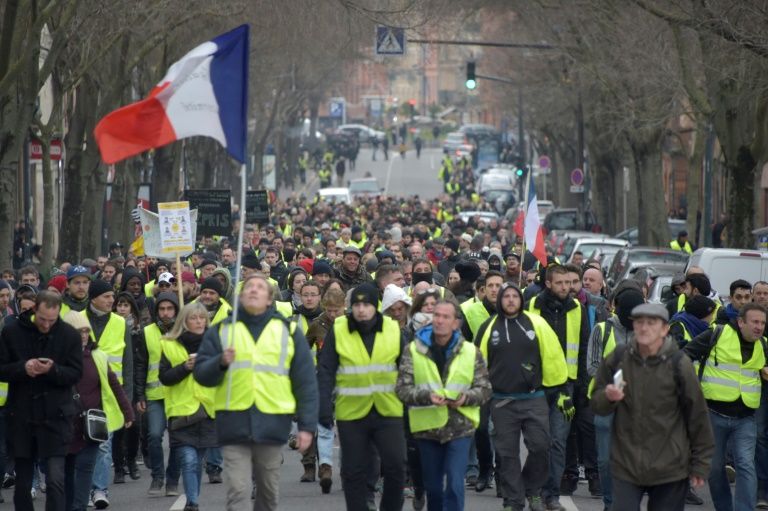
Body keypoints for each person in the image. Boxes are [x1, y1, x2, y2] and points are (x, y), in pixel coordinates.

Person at [193, 274, 318, 511]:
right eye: (248, 287)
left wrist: (307, 427)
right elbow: (201, 374)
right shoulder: (222, 331)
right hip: (233, 423)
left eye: (260, 287)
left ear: (270, 299)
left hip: (273, 423)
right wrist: (220, 362)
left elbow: (305, 382)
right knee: (238, 491)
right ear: (240, 297)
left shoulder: (289, 331)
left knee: (268, 493)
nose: (253, 290)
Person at [592, 303, 714, 511]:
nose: (644, 328)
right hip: (626, 463)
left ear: (665, 329)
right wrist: (608, 397)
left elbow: (698, 416)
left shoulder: (679, 364)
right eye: (639, 323)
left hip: (670, 466)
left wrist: (700, 464)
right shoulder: (619, 357)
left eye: (651, 323)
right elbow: (596, 403)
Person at [475, 283, 568, 511]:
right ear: (500, 301)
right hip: (501, 400)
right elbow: (477, 363)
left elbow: (553, 356)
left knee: (540, 447)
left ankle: (532, 490)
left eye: (514, 296)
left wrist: (561, 389)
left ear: (520, 299)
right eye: (505, 296)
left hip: (533, 398)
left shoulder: (536, 323)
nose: (510, 300)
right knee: (507, 455)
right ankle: (513, 500)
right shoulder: (488, 327)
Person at [317, 282, 407, 511]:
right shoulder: (339, 329)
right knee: (353, 472)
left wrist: (410, 404)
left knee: (396, 466)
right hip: (352, 413)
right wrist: (324, 407)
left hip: (389, 411)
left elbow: (407, 369)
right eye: (356, 305)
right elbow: (326, 369)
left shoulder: (392, 328)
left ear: (375, 306)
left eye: (366, 304)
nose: (361, 309)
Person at [396, 300, 491, 511]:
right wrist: (427, 396)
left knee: (456, 486)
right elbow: (402, 389)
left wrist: (464, 398)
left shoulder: (470, 351)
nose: (439, 320)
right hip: (426, 429)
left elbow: (484, 389)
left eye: (445, 317)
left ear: (456, 323)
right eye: (436, 315)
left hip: (460, 427)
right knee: (434, 490)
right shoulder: (413, 350)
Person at [0, 291, 83, 511]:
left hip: (56, 416)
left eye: (52, 320)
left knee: (56, 479)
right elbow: (2, 369)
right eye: (42, 319)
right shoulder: (11, 332)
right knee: (23, 484)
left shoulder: (69, 335)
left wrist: (53, 370)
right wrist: (23, 368)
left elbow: (75, 374)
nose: (46, 325)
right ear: (34, 310)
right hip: (22, 415)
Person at [684, 302, 767, 510]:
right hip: (713, 414)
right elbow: (685, 354)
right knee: (714, 469)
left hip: (746, 417)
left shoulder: (764, 345)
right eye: (755, 322)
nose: (759, 327)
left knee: (746, 465)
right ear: (741, 322)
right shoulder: (718, 334)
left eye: (763, 323)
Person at [525, 264, 589, 511]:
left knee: (559, 441)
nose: (566, 287)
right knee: (537, 442)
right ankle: (534, 491)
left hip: (565, 387)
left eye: (569, 283)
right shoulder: (531, 307)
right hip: (537, 386)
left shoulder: (578, 309)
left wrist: (581, 386)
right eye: (560, 283)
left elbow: (583, 348)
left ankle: (550, 495)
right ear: (548, 284)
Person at [62, 311, 134, 511]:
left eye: (86, 331)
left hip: (92, 425)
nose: (83, 335)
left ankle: (79, 507)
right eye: (78, 332)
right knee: (67, 473)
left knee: (85, 469)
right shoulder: (59, 359)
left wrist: (127, 412)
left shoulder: (98, 356)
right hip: (66, 425)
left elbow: (114, 385)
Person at [585, 282, 645, 510]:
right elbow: (591, 366)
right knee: (605, 460)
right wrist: (618, 382)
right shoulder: (602, 329)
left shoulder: (647, 333)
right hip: (607, 405)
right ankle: (610, 503)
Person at [159, 302, 217, 511]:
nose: (199, 321)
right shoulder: (169, 344)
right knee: (189, 461)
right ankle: (192, 503)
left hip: (207, 411)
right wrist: (185, 368)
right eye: (194, 318)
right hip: (181, 412)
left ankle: (193, 498)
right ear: (185, 321)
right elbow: (164, 378)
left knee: (197, 461)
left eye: (202, 317)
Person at [83, 279, 133, 509]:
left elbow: (128, 361)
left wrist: (129, 397)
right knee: (82, 444)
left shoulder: (121, 322)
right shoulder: (77, 320)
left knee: (104, 444)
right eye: (106, 297)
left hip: (111, 394)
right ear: (93, 298)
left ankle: (99, 489)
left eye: (112, 297)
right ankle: (83, 488)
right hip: (83, 392)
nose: (112, 300)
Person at [134, 292, 181, 496]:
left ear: (176, 310)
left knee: (178, 440)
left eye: (170, 308)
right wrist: (140, 395)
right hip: (154, 395)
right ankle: (157, 477)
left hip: (179, 394)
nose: (165, 313)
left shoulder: (183, 331)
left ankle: (172, 480)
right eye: (162, 309)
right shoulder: (146, 332)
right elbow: (141, 365)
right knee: (153, 436)